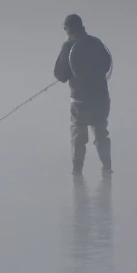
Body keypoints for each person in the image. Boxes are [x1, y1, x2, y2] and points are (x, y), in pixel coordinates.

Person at [53, 14, 113, 175]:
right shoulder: (96, 42)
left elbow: (60, 75)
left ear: (70, 28)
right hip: (101, 97)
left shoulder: (68, 46)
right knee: (101, 133)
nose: (65, 31)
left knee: (78, 135)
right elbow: (107, 64)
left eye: (65, 28)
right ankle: (107, 167)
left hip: (80, 100)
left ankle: (77, 171)